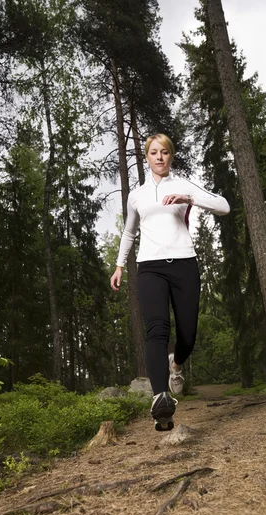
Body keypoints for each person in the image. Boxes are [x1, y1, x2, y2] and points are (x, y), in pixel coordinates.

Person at [110, 133, 230, 431]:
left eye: (164, 152)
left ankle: (176, 364)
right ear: (147, 158)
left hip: (184, 264)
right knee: (157, 329)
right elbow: (129, 232)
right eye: (153, 152)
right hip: (149, 267)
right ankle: (161, 398)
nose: (159, 157)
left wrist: (190, 199)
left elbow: (224, 205)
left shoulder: (183, 184)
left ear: (171, 156)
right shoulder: (136, 195)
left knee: (188, 333)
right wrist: (119, 265)